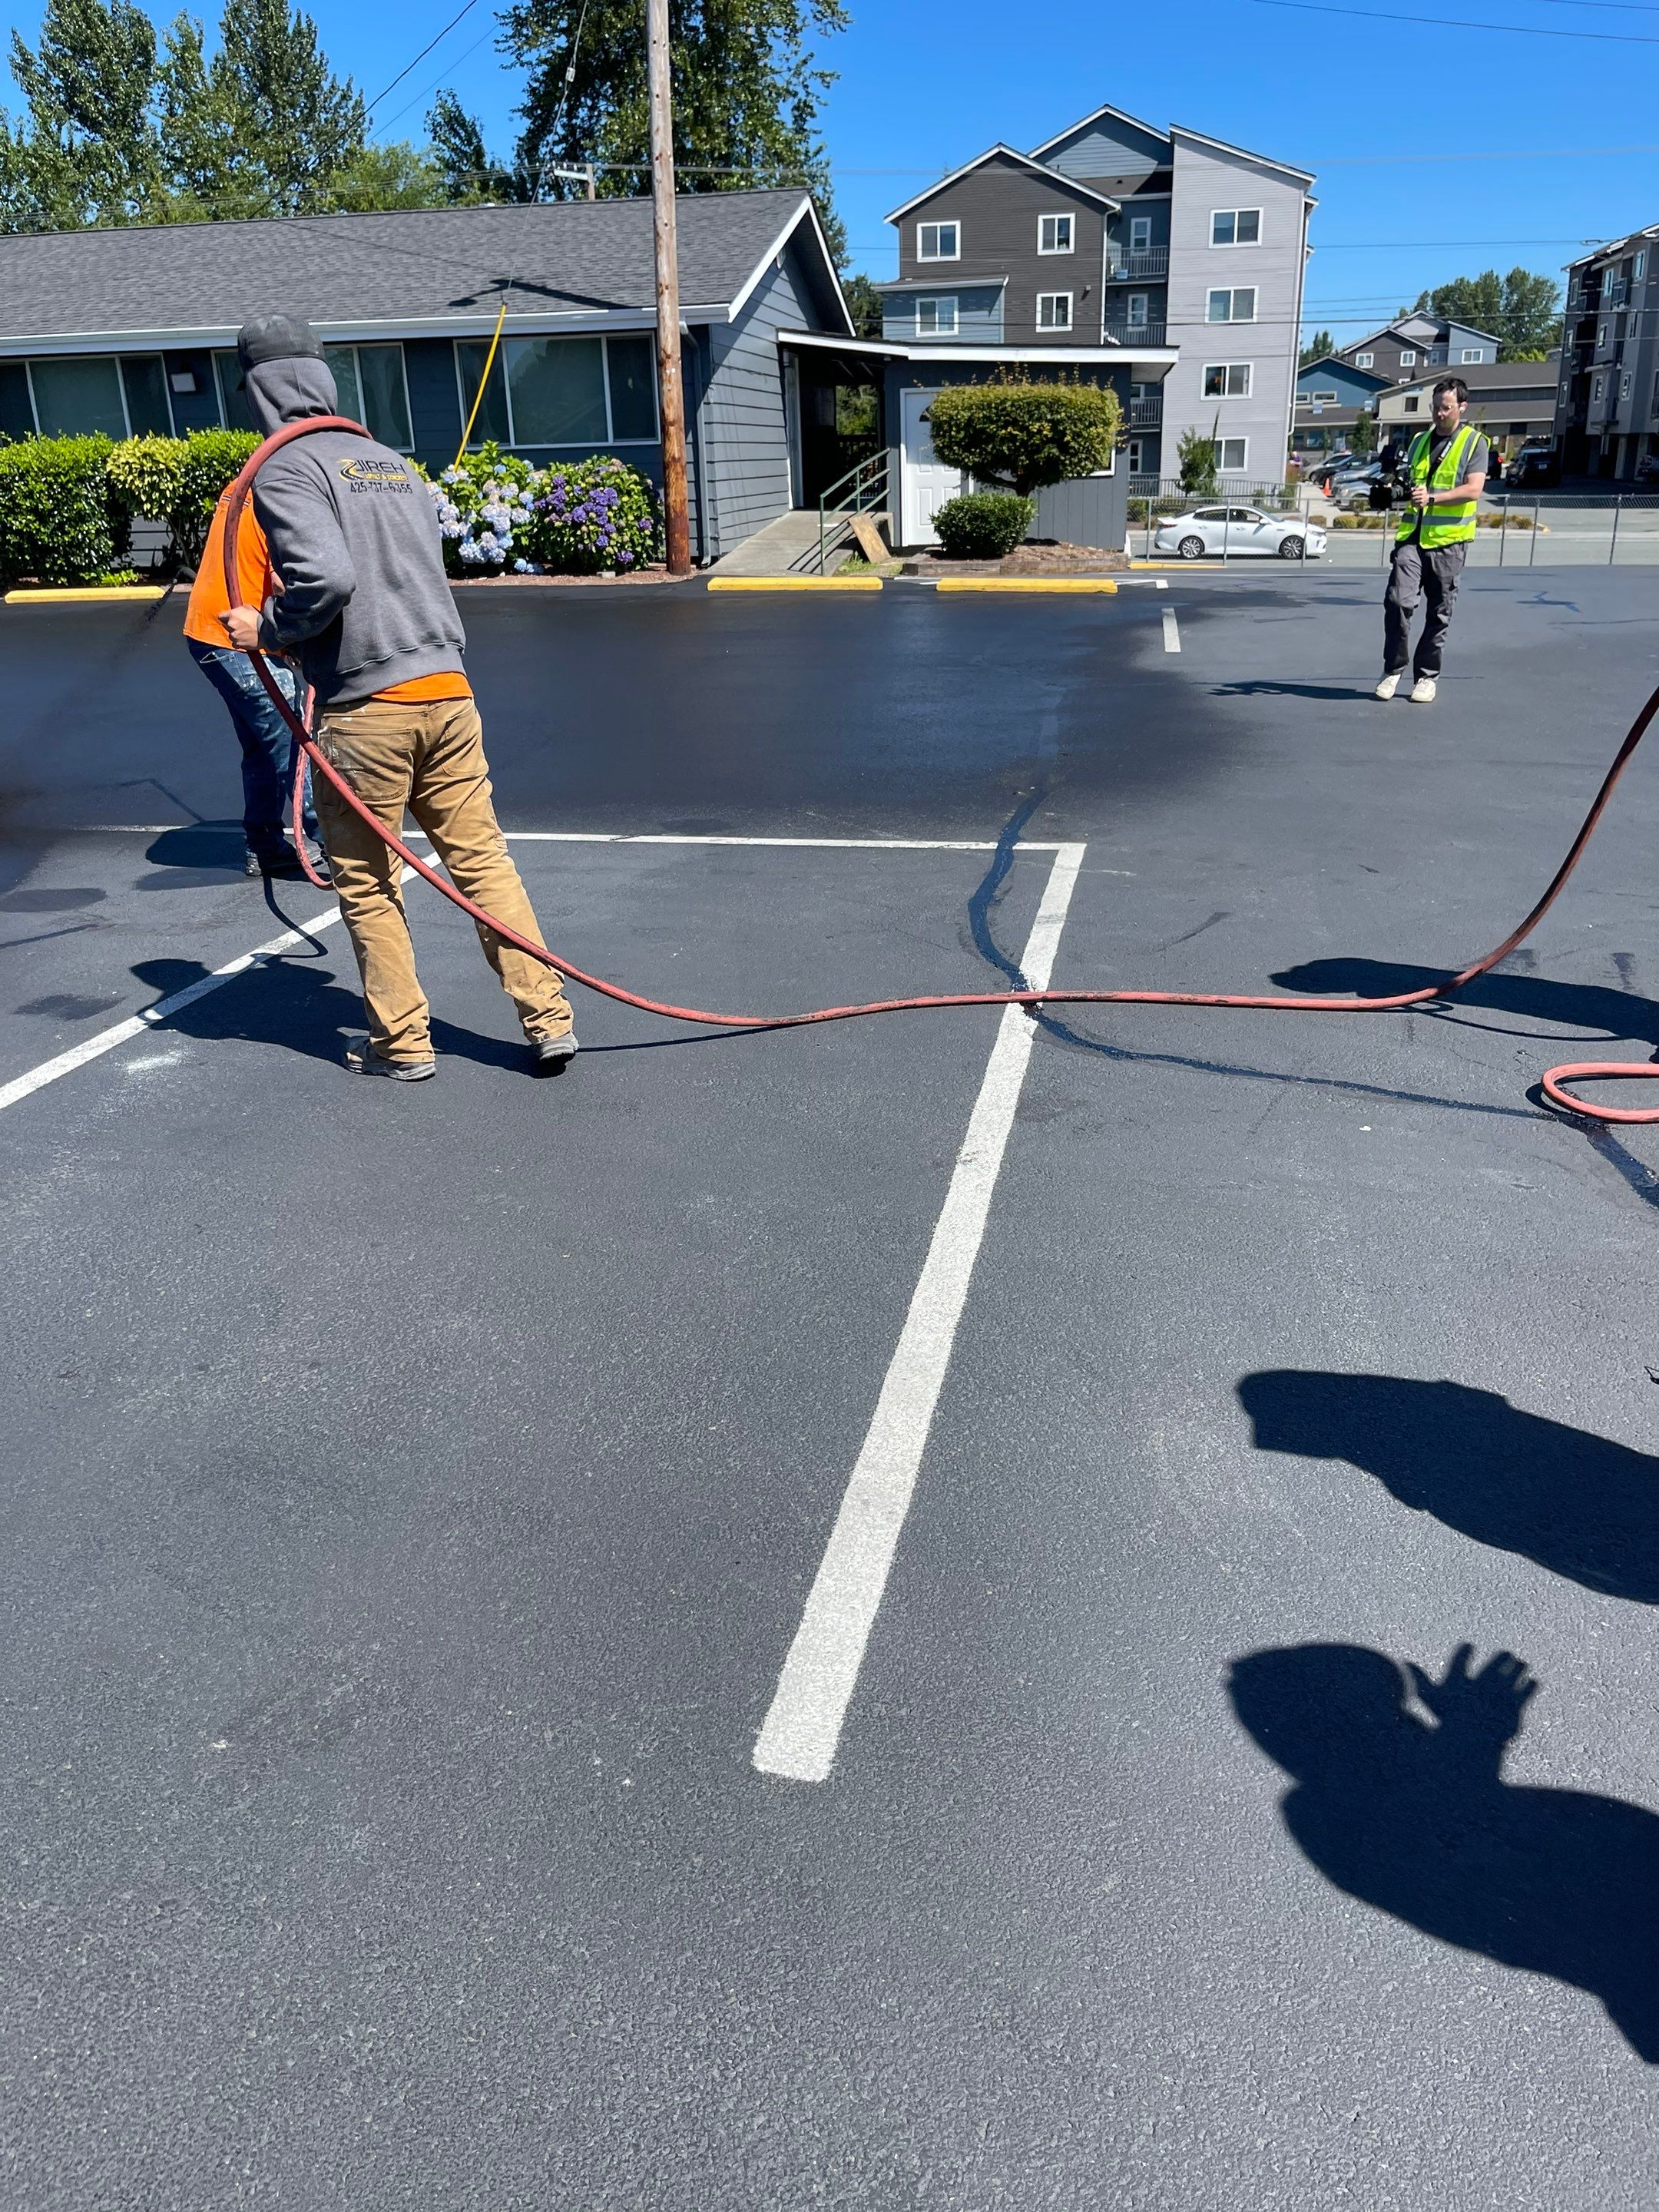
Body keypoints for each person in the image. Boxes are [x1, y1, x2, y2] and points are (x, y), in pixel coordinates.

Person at [220, 314, 577, 1083]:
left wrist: (268, 626)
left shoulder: (285, 470)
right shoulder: (389, 462)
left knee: (370, 883)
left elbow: (327, 581)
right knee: (484, 864)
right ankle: (548, 1019)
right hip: (448, 692)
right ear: (321, 376)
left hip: (367, 711)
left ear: (256, 390)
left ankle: (403, 1045)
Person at [184, 473, 326, 880]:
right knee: (293, 740)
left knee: (264, 745)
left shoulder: (247, 483)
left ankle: (264, 847)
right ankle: (336, 844)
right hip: (233, 634)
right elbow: (285, 581)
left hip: (212, 631)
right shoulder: (285, 490)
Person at [1375, 376, 1488, 707]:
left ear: (1461, 407)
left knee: (1439, 613)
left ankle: (1426, 677)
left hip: (1449, 542)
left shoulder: (1473, 442)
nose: (1439, 414)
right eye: (1435, 407)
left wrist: (1434, 498)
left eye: (1446, 408)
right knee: (1398, 601)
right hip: (1412, 537)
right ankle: (1393, 669)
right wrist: (1390, 493)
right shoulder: (1420, 440)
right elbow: (1410, 484)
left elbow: (1474, 489)